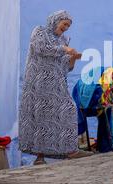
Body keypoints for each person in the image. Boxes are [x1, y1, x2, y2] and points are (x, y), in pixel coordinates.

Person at [18, 10, 93, 165]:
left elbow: (66, 66)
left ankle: (70, 150)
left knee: (69, 110)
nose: (66, 28)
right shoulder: (40, 31)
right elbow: (41, 48)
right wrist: (65, 50)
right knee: (41, 116)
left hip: (57, 85)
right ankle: (40, 157)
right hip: (38, 83)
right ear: (55, 20)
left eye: (68, 26)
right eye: (64, 24)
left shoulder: (63, 39)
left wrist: (73, 58)